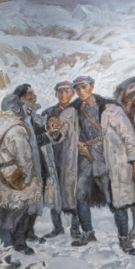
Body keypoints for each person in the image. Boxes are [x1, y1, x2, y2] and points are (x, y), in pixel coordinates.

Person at [47, 76, 135, 255]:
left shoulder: (110, 108)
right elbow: (60, 135)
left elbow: (128, 133)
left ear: (92, 87)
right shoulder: (70, 111)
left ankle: (124, 239)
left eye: (84, 87)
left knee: (116, 200)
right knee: (80, 197)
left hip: (107, 160)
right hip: (83, 161)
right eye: (78, 89)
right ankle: (88, 233)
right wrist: (54, 132)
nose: (81, 91)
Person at [0, 88, 49, 255]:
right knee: (14, 210)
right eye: (29, 94)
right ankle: (14, 244)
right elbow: (24, 152)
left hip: (3, 173)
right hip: (16, 173)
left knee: (6, 211)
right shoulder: (18, 123)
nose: (33, 96)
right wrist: (27, 177)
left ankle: (11, 242)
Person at [41, 80, 80, 238]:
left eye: (67, 92)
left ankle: (75, 228)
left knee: (74, 194)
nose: (63, 95)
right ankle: (57, 227)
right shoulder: (48, 112)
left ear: (73, 94)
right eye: (60, 92)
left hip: (73, 159)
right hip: (53, 159)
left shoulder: (78, 112)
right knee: (54, 192)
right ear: (56, 94)